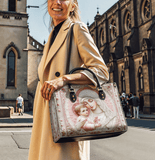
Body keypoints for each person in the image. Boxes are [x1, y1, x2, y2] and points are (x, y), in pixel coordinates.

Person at [28, 0, 109, 160]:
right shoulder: (51, 36)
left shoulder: (77, 29)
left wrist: (64, 79)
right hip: (45, 121)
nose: (56, 2)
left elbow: (101, 71)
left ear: (73, 5)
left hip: (67, 120)